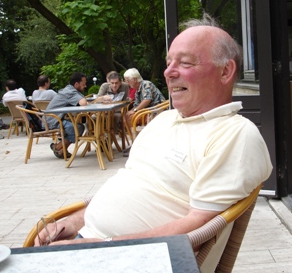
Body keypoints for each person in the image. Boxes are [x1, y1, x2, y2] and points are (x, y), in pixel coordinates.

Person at [34, 15, 273, 251]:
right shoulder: (165, 120)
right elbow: (130, 185)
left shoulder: (234, 135)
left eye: (185, 63)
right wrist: (73, 221)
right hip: (91, 242)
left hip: (131, 256)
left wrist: (101, 247)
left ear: (225, 71)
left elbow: (199, 226)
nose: (169, 72)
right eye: (169, 63)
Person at [46, 72, 88, 159]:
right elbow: (83, 102)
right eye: (83, 84)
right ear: (76, 84)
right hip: (53, 120)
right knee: (78, 128)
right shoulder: (70, 92)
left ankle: (60, 149)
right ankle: (58, 147)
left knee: (78, 127)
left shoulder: (70, 89)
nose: (85, 86)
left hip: (55, 118)